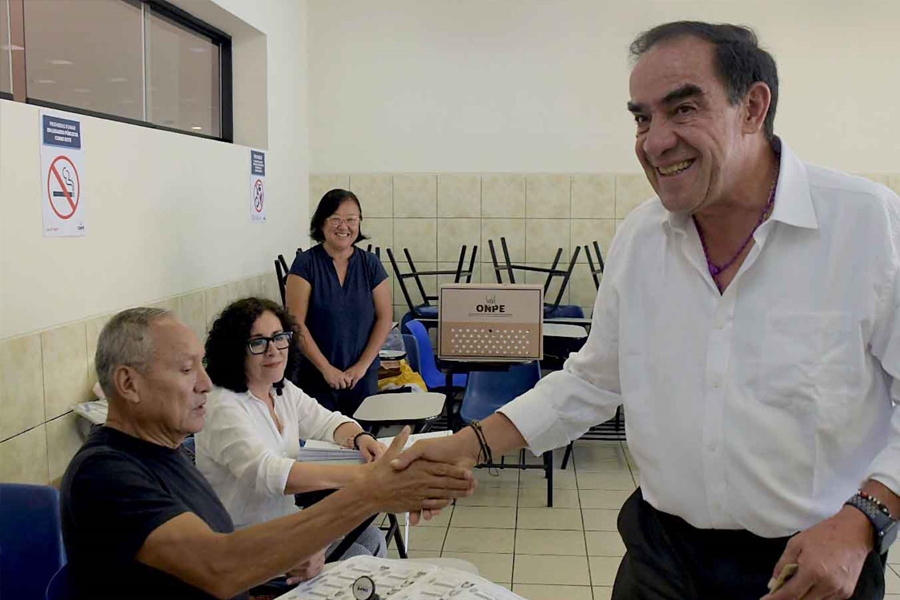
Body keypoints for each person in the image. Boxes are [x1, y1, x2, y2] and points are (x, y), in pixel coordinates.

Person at [393, 21, 900, 600]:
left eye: (683, 109)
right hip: (662, 556)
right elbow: (592, 380)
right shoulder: (641, 237)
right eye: (641, 118)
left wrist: (865, 520)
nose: (655, 142)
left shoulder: (866, 226)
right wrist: (464, 445)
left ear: (753, 107)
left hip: (811, 561)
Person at [60, 307, 474, 600]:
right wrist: (369, 489)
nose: (204, 383)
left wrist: (307, 538)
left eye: (201, 366)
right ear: (128, 384)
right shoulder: (105, 473)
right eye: (187, 370)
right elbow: (220, 567)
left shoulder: (163, 451)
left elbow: (224, 548)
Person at [195, 297, 388, 563]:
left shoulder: (280, 389)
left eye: (279, 338)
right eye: (258, 342)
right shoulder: (222, 405)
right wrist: (360, 476)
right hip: (245, 545)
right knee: (358, 556)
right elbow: (267, 473)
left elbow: (327, 422)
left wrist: (360, 438)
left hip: (283, 527)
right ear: (235, 350)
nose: (273, 350)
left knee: (371, 538)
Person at [285, 189, 392, 416]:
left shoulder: (371, 265)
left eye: (351, 219)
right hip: (315, 376)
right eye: (335, 219)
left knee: (363, 435)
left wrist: (361, 367)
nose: (344, 227)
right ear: (321, 222)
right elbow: (295, 323)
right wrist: (326, 369)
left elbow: (384, 318)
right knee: (321, 436)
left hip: (362, 378)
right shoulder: (305, 264)